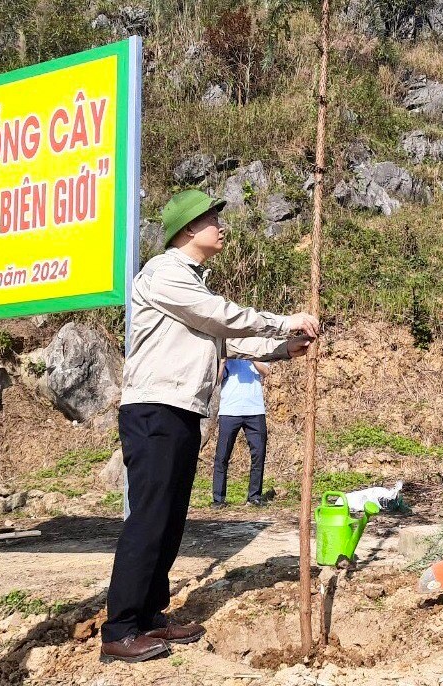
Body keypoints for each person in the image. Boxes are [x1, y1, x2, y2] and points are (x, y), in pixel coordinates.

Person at [100, 190, 319, 663]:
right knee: (150, 517)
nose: (222, 226)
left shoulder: (191, 282)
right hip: (154, 408)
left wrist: (282, 350)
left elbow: (223, 340)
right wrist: (284, 323)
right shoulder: (164, 273)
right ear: (187, 229)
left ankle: (149, 615)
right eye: (212, 219)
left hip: (181, 409)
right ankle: (119, 630)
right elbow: (221, 317)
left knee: (170, 517)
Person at [212, 358, 272, 508]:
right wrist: (223, 362)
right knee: (222, 455)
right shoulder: (227, 354)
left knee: (258, 454)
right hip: (229, 411)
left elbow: (266, 371)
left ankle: (254, 497)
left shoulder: (256, 351)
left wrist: (250, 356)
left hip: (255, 411)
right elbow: (216, 380)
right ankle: (218, 499)